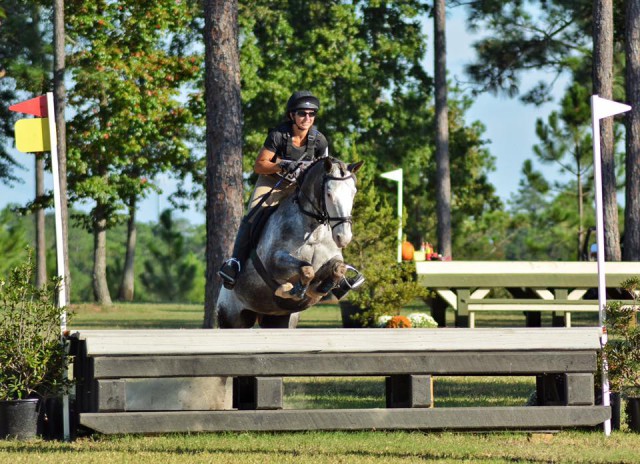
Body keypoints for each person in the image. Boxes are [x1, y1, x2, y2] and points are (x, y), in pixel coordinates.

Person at [218, 90, 330, 289]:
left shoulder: (320, 141)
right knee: (253, 214)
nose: (307, 118)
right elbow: (259, 165)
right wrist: (281, 165)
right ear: (291, 115)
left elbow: (324, 170)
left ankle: (334, 268)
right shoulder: (279, 135)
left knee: (329, 214)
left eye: (311, 114)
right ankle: (234, 263)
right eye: (302, 113)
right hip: (272, 182)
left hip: (299, 188)